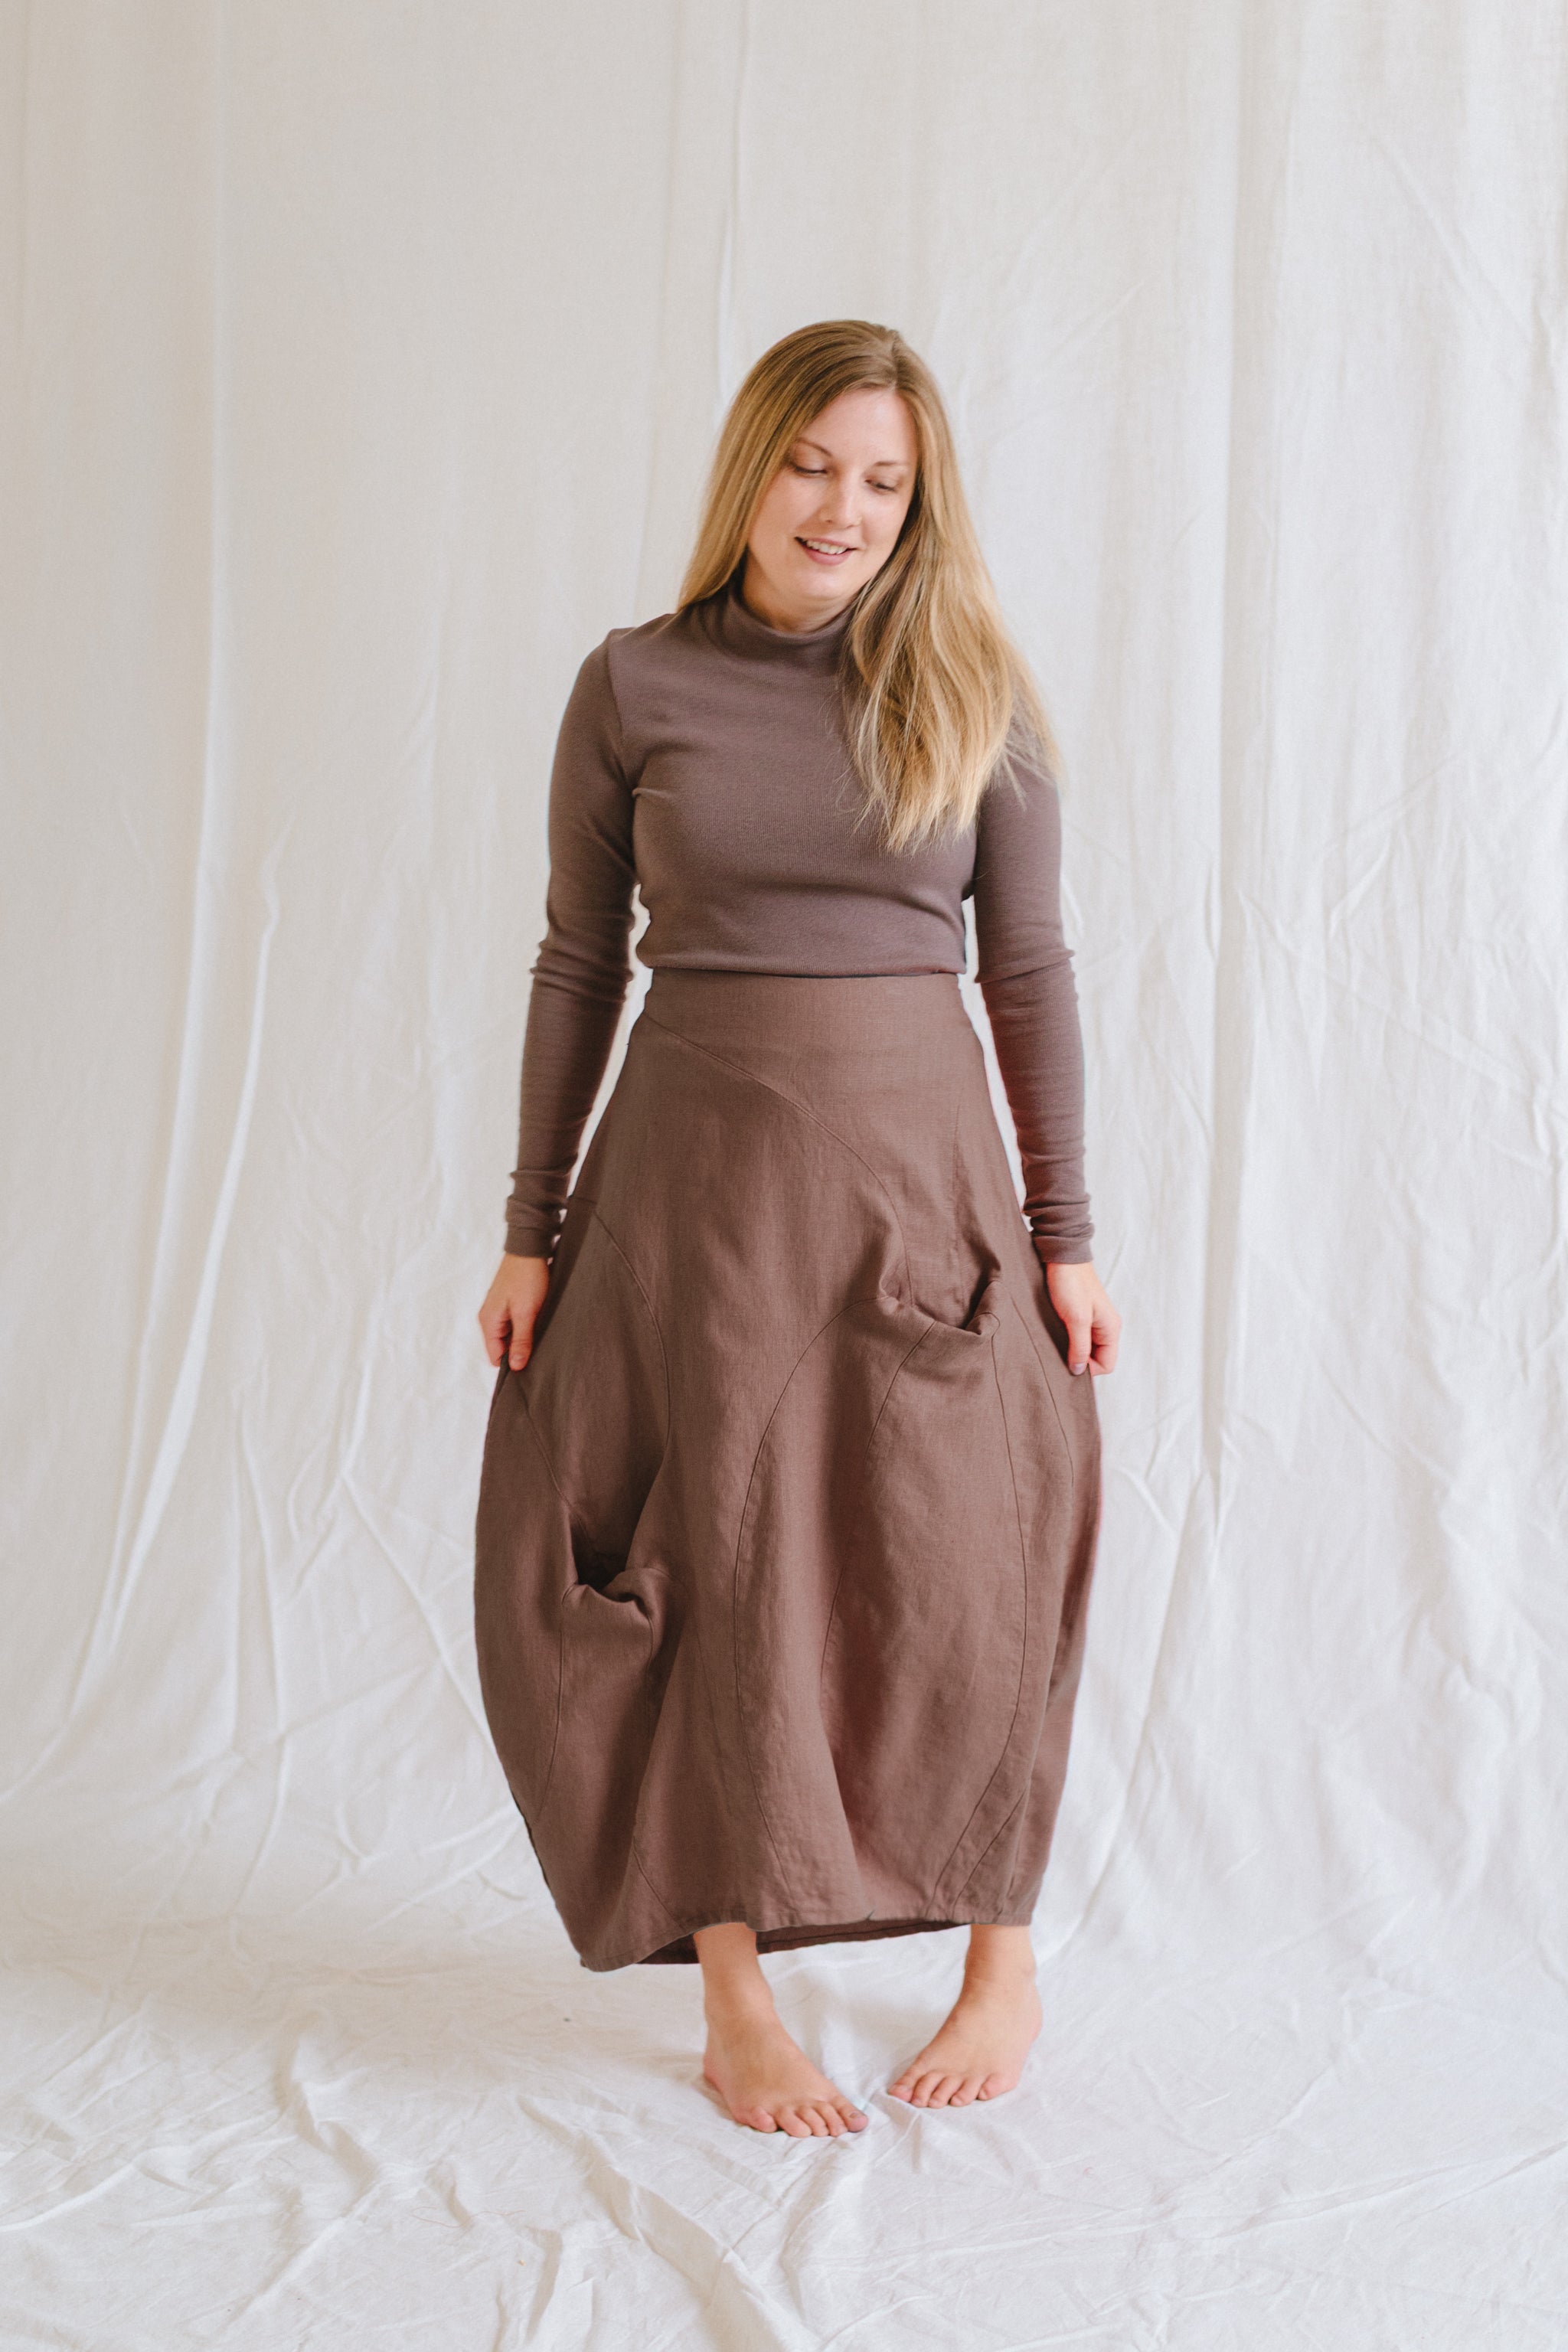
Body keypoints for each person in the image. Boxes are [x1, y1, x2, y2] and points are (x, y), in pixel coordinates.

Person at [475, 319, 1119, 2140]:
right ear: (751, 465)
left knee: (972, 1556)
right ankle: (734, 1992)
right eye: (814, 463)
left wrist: (1065, 1231)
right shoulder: (633, 685)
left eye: (884, 480)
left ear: (921, 502)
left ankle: (1000, 1957)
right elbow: (577, 963)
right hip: (696, 1196)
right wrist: (531, 1226)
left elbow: (1029, 968)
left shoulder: (973, 687)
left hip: (923, 1190)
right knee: (715, 1562)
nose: (843, 507)